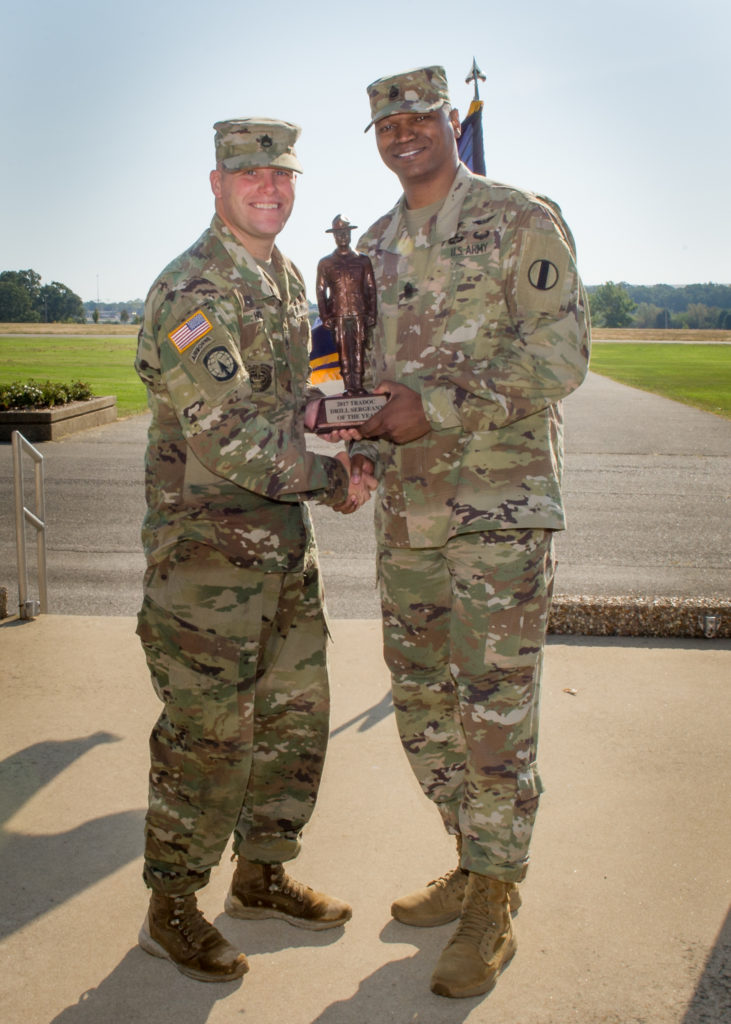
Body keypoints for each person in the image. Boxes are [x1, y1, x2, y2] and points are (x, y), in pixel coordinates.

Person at [347, 66, 591, 998]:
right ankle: (468, 851)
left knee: (493, 709)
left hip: (497, 507)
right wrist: (353, 436)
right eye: (385, 123)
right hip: (405, 514)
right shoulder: (370, 244)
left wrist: (434, 406)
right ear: (374, 137)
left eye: (417, 117)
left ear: (450, 120)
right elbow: (364, 372)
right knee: (419, 700)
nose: (402, 133)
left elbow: (561, 356)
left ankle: (495, 893)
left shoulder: (519, 219)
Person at [134, 117, 366, 984]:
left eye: (281, 175)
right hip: (206, 564)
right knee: (206, 741)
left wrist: (348, 429)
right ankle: (172, 906)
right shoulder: (195, 290)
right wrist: (337, 480)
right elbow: (228, 437)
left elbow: (300, 400)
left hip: (280, 550)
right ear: (217, 183)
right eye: (249, 176)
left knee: (293, 721)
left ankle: (261, 875)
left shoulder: (280, 278)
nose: (268, 188)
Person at [315, 215, 377, 396]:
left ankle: (358, 386)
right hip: (338, 313)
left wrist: (372, 312)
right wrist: (325, 316)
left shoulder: (363, 260)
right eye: (339, 233)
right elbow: (320, 291)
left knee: (359, 350)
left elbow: (371, 288)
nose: (343, 236)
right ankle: (348, 387)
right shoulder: (326, 263)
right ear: (334, 236)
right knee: (343, 353)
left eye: (345, 232)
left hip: (359, 312)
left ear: (350, 234)